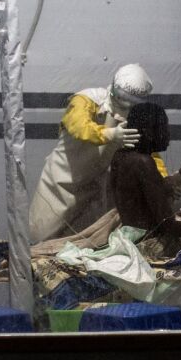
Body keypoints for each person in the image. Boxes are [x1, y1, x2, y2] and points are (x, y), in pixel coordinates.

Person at [30, 63, 155, 243]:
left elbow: (149, 154)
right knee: (40, 239)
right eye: (122, 99)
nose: (126, 108)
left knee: (84, 244)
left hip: (94, 188)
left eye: (133, 104)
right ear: (113, 89)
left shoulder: (136, 118)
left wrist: (163, 179)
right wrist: (110, 134)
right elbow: (78, 126)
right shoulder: (87, 99)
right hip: (59, 184)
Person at [109, 102, 181, 244]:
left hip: (132, 237)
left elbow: (144, 193)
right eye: (164, 128)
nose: (168, 134)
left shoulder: (120, 156)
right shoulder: (143, 162)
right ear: (148, 132)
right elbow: (168, 225)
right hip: (148, 241)